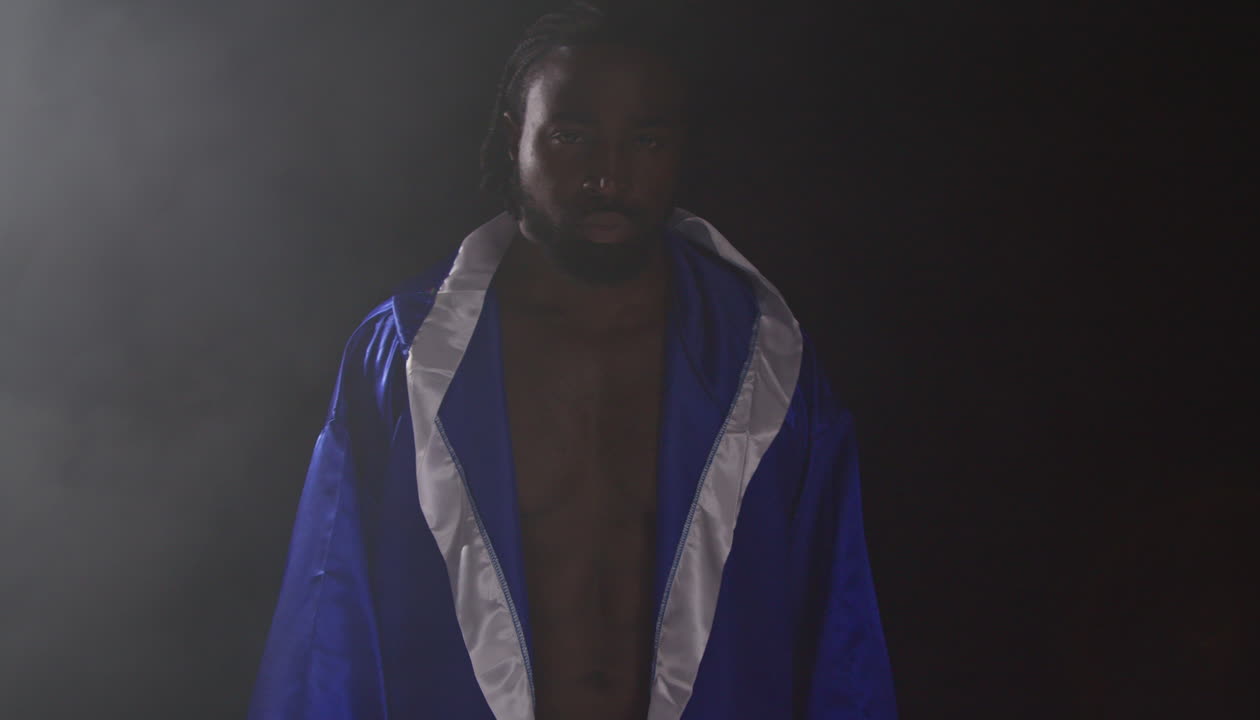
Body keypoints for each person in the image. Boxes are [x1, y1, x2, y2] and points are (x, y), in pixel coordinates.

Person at [248, 3, 896, 718]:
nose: (608, 176)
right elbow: (327, 623)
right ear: (514, 136)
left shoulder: (767, 363)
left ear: (678, 149)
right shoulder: (404, 355)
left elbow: (839, 635)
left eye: (645, 141)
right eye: (572, 137)